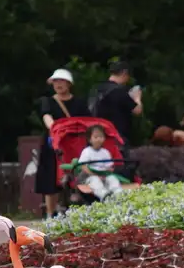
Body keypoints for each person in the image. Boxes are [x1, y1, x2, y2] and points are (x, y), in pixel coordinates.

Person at [34, 69, 87, 218]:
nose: (58, 84)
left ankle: (79, 212)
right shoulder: (48, 101)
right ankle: (50, 214)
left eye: (62, 81)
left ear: (69, 84)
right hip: (54, 144)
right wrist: (56, 129)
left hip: (75, 145)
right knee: (50, 179)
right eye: (55, 81)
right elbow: (47, 117)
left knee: (77, 177)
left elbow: (86, 122)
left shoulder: (79, 103)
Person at [90, 61, 141, 150]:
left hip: (97, 136)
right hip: (117, 138)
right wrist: (137, 98)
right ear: (124, 73)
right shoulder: (119, 91)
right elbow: (137, 110)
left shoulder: (96, 89)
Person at [70, 124, 122, 202]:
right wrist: (94, 174)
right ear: (90, 139)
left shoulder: (105, 152)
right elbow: (83, 166)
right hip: (89, 176)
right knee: (95, 181)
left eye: (101, 137)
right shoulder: (87, 151)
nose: (98, 139)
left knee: (113, 179)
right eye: (96, 137)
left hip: (104, 175)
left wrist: (107, 173)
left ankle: (119, 195)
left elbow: (110, 167)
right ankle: (105, 197)